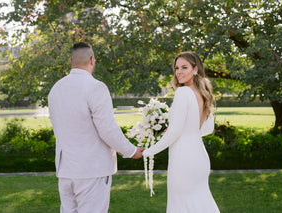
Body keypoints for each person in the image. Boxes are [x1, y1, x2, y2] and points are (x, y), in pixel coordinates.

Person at [48, 42, 144, 213]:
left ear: (71, 60)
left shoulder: (55, 89)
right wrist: (131, 150)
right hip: (91, 168)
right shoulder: (96, 87)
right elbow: (107, 129)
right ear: (92, 60)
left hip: (65, 169)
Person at [143, 51, 220, 213]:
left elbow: (175, 132)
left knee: (181, 205)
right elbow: (207, 129)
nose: (179, 72)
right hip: (200, 156)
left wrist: (148, 151)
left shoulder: (183, 92)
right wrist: (187, 132)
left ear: (195, 69)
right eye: (176, 68)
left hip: (183, 159)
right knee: (200, 202)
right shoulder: (203, 93)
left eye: (184, 67)